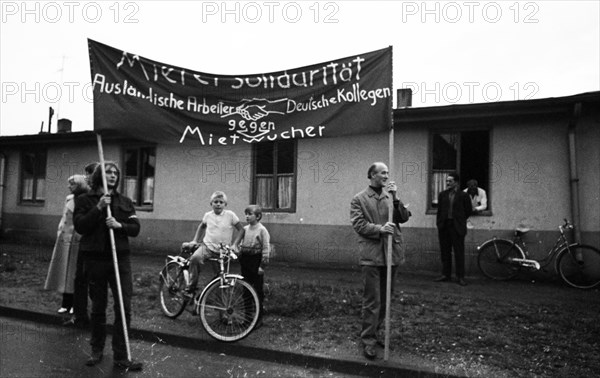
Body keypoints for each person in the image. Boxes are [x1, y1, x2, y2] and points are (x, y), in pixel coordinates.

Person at [73, 162, 143, 371]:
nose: (113, 176)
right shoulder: (84, 200)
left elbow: (136, 228)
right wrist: (99, 208)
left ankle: (122, 356)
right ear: (98, 176)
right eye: (108, 172)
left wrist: (119, 225)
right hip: (95, 259)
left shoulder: (125, 201)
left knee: (124, 307)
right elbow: (81, 226)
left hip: (120, 259)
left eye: (115, 173)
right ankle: (96, 350)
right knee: (98, 307)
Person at [350, 162, 410, 360]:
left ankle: (377, 334)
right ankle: (368, 339)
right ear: (372, 175)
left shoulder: (389, 196)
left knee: (385, 299)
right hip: (372, 256)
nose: (386, 176)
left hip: (391, 255)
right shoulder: (359, 199)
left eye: (387, 173)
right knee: (372, 300)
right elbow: (359, 225)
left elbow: (403, 218)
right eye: (382, 173)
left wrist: (396, 198)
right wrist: (380, 229)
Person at [44, 175, 89, 315]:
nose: (69, 186)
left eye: (73, 184)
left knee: (74, 273)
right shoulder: (69, 199)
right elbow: (64, 218)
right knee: (64, 272)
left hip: (76, 240)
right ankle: (66, 303)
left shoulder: (85, 200)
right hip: (64, 240)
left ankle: (76, 303)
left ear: (80, 185)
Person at [182, 191, 243, 294]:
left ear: (225, 204)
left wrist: (235, 244)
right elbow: (202, 226)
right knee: (195, 259)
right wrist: (195, 240)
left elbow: (241, 230)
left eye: (221, 202)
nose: (218, 204)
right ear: (211, 204)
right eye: (215, 202)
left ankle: (213, 298)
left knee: (221, 276)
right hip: (207, 247)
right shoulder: (208, 215)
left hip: (223, 251)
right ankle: (191, 287)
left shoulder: (230, 215)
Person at [65, 162, 99, 327]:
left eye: (89, 174)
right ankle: (80, 316)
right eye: (86, 175)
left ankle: (96, 314)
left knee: (93, 280)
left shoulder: (99, 194)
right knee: (80, 279)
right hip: (84, 241)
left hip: (96, 242)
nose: (86, 177)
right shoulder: (83, 195)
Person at [435, 172, 472, 286]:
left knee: (459, 252)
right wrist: (440, 223)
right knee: (445, 252)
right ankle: (446, 275)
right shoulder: (442, 195)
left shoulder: (463, 195)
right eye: (447, 181)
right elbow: (440, 210)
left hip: (457, 227)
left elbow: (468, 211)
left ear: (456, 182)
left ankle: (460, 277)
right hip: (445, 226)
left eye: (450, 181)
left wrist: (459, 221)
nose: (447, 183)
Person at [237, 204, 271, 328]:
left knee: (257, 291)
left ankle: (258, 319)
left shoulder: (262, 230)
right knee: (245, 290)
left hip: (256, 261)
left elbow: (266, 248)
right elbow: (241, 243)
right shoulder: (245, 229)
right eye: (246, 214)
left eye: (250, 214)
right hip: (245, 261)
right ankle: (247, 317)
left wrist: (262, 266)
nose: (247, 216)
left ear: (258, 216)